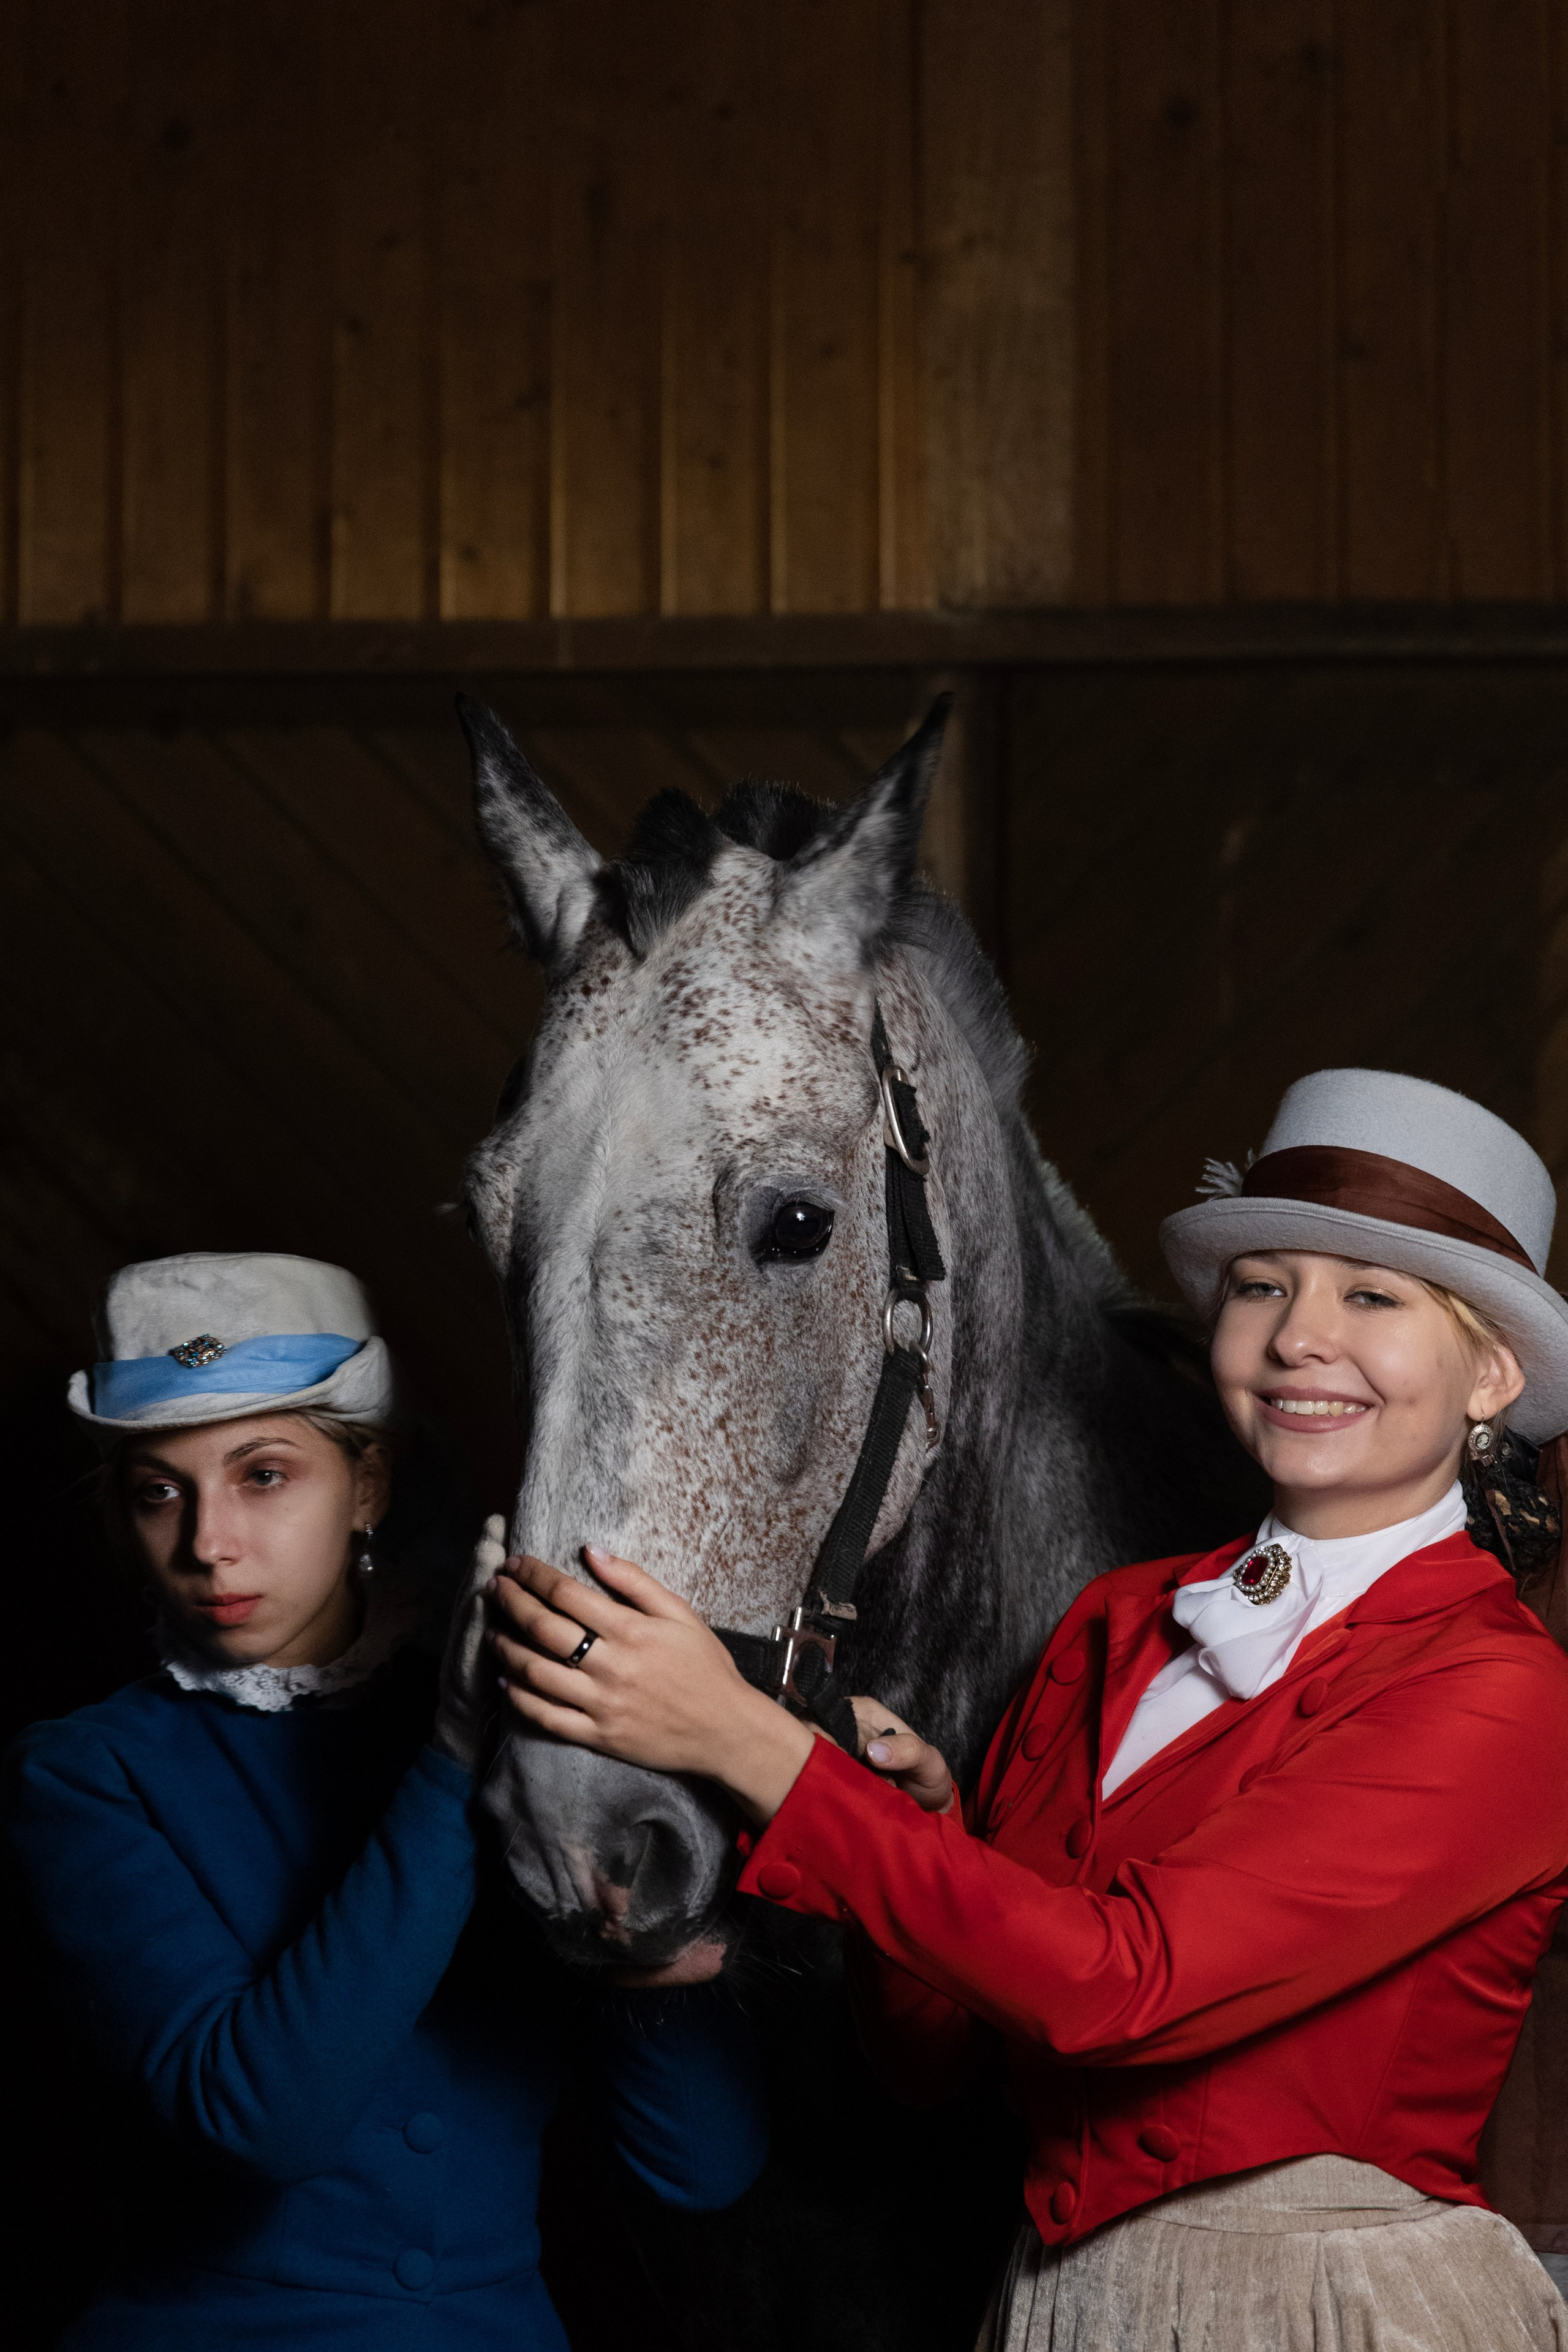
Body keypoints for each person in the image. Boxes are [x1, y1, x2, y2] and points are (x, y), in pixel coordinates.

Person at [486, 1068, 1568, 2350]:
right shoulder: (1119, 1621)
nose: (1294, 1336)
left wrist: (753, 1745)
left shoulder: (1500, 1692)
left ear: (1490, 1374)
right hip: (1059, 2298)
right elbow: (936, 2053)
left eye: (1370, 1296)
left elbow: (1122, 1989)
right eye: (1261, 1284)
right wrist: (915, 1832)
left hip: (1333, 2307)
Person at [5, 1251, 766, 2351]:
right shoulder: (80, 1775)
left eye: (264, 1474)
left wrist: (655, 1925)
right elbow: (261, 2119)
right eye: (160, 1490)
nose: (209, 1543)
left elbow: (701, 2166)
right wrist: (454, 1758)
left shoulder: (519, 1733)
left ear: (368, 1484)